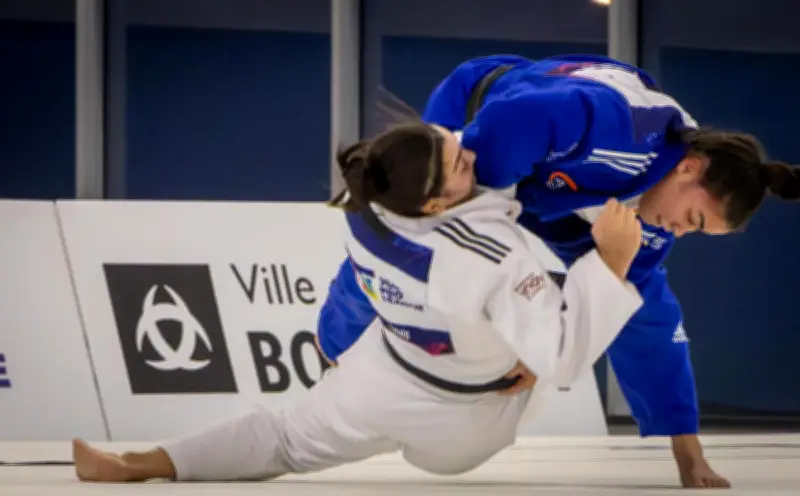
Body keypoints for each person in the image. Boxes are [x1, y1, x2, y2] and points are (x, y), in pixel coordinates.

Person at [317, 54, 800, 489]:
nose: (680, 230)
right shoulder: (621, 127)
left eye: (696, 232)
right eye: (693, 219)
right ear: (690, 168)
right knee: (409, 224)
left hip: (562, 188)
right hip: (482, 120)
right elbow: (519, 115)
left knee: (639, 296)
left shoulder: (655, 218)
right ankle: (334, 341)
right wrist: (477, 192)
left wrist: (687, 452)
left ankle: (685, 442)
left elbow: (650, 325)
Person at [72, 122, 646, 484]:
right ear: (429, 206)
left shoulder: (364, 206)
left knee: (282, 440)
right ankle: (145, 463)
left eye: (452, 142)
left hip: (382, 374)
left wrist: (335, 345)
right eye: (458, 164)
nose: (470, 152)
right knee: (525, 375)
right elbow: (565, 359)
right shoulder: (489, 256)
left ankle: (143, 462)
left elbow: (362, 274)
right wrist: (611, 262)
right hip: (469, 418)